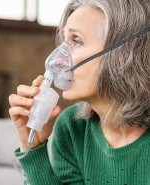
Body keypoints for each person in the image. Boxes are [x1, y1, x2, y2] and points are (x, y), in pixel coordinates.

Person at [8, 0, 150, 184]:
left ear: (123, 54)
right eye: (63, 42)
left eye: (76, 41)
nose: (57, 60)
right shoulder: (71, 127)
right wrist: (33, 147)